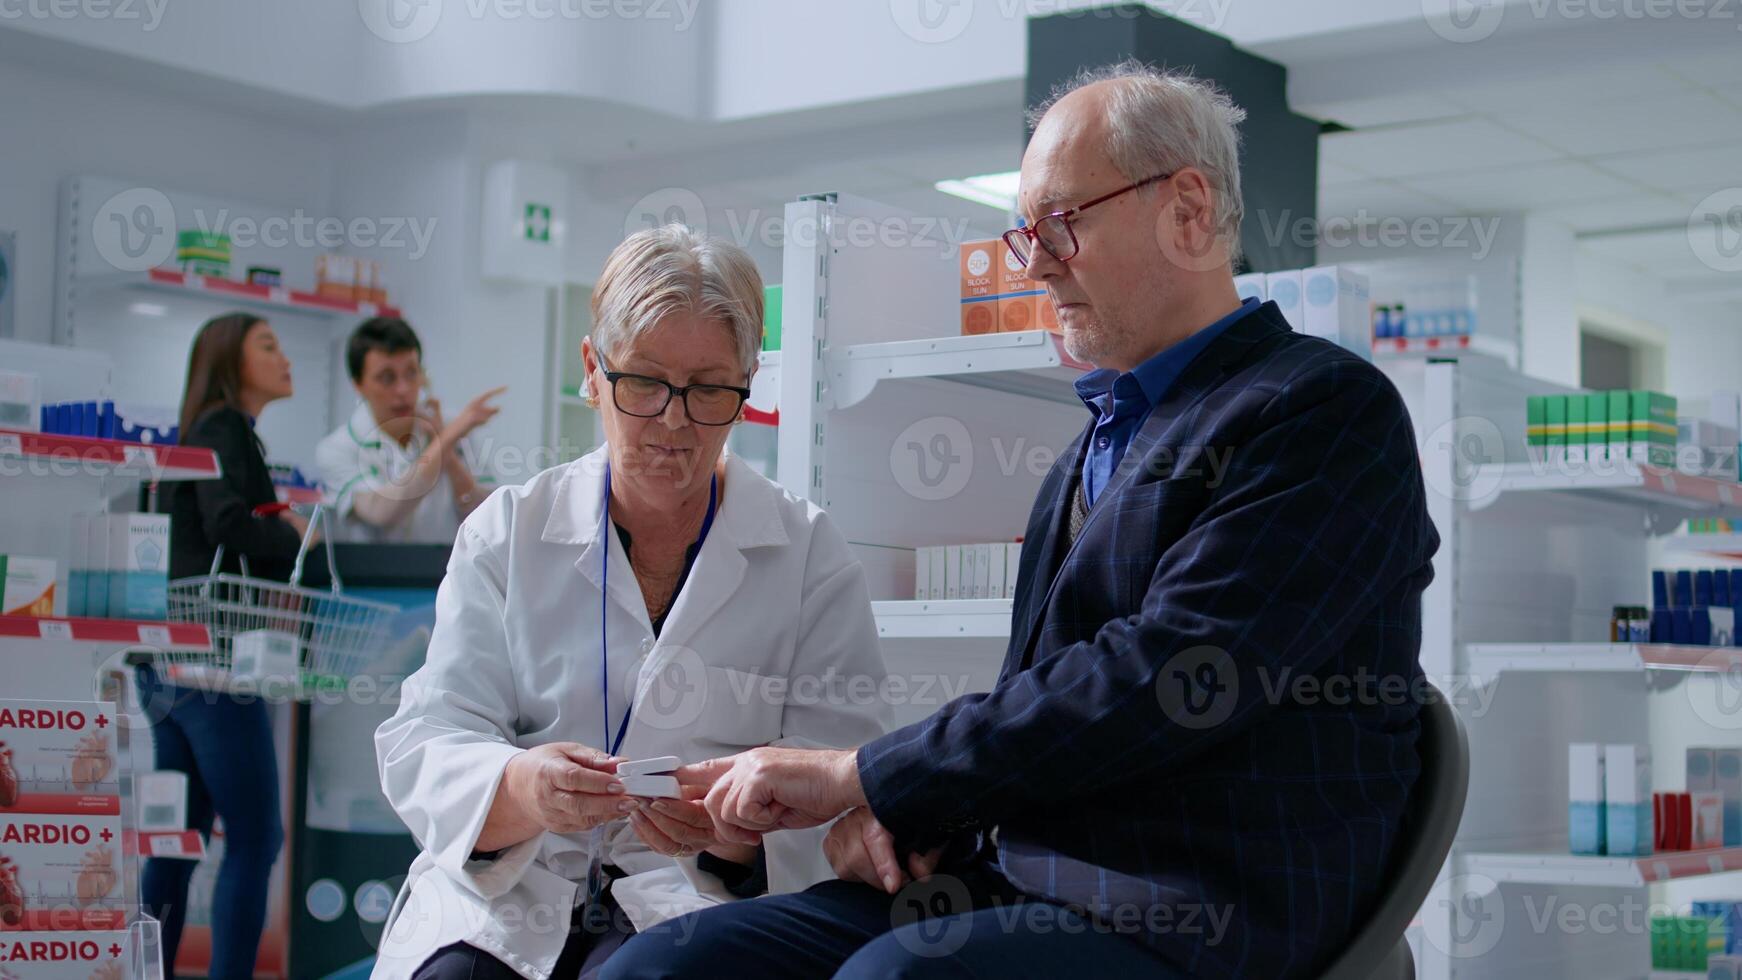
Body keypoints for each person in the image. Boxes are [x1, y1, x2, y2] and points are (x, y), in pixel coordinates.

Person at [604, 62, 1442, 980]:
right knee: (666, 966)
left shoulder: (1320, 412)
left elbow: (1165, 678)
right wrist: (906, 816)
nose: (1036, 260)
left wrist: (865, 777)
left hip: (1194, 908)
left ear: (1188, 210)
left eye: (1061, 224)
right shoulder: (1088, 451)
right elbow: (1040, 703)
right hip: (1012, 878)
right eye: (1026, 233)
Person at [370, 225, 891, 980]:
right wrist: (523, 789)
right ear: (592, 370)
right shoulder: (508, 533)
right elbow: (430, 734)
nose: (674, 423)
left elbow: (843, 784)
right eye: (644, 382)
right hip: (515, 891)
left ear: (747, 386)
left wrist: (733, 835)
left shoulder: (808, 555)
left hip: (693, 901)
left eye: (709, 389)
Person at [144, 312, 305, 979]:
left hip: (169, 665)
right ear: (230, 361)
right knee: (257, 836)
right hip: (213, 665)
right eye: (268, 345)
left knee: (178, 842)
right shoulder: (226, 426)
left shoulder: (208, 430)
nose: (284, 357)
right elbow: (229, 522)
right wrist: (296, 535)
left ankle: (142, 970)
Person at [314, 316, 503, 543]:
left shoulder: (448, 425)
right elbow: (381, 510)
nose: (403, 389)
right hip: (373, 575)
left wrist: (448, 454)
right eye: (387, 378)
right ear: (358, 385)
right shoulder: (338, 449)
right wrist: (445, 440)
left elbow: (486, 515)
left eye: (412, 373)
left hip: (444, 573)